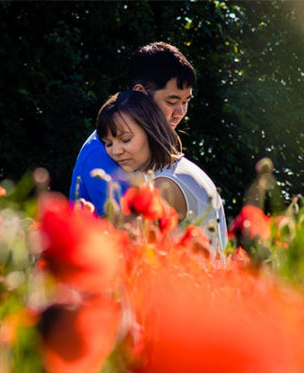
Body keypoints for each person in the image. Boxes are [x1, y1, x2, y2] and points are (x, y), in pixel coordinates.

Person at [71, 42, 228, 249]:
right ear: (140, 93)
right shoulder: (103, 153)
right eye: (172, 101)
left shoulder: (168, 174)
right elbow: (122, 244)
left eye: (186, 101)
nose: (181, 112)